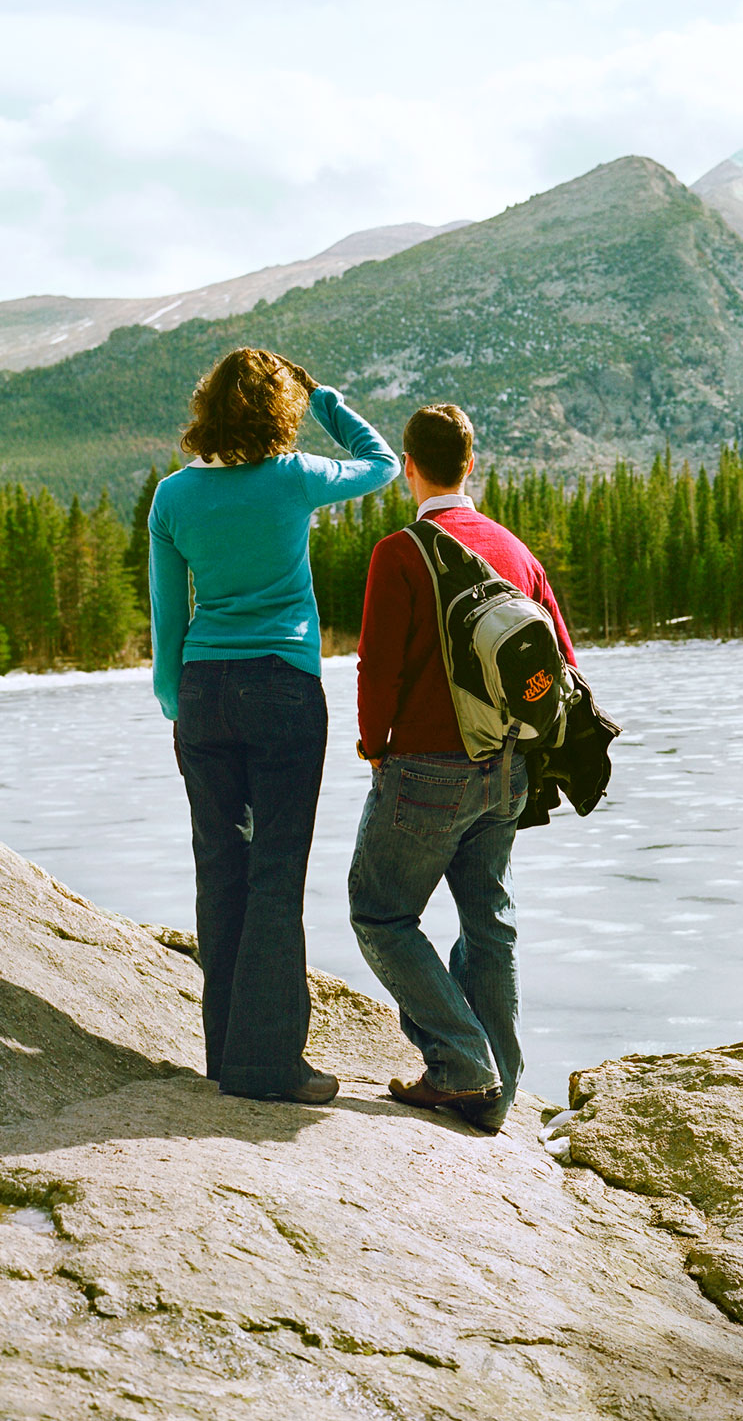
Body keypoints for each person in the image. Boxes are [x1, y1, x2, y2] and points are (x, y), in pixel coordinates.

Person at [149, 347, 399, 1104]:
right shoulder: (294, 478)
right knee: (275, 872)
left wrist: (175, 703)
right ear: (277, 411)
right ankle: (271, 1065)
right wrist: (328, 400)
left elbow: (168, 617)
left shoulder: (172, 497)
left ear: (206, 410)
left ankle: (226, 1055)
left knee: (220, 868)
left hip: (202, 690)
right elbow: (382, 463)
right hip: (284, 687)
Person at [349, 402, 577, 1133]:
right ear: (471, 464)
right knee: (489, 921)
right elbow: (565, 665)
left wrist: (373, 745)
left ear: (409, 467)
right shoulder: (514, 550)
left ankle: (459, 1062)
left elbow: (377, 668)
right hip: (507, 769)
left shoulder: (400, 551)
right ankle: (498, 1092)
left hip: (424, 770)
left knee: (381, 912)